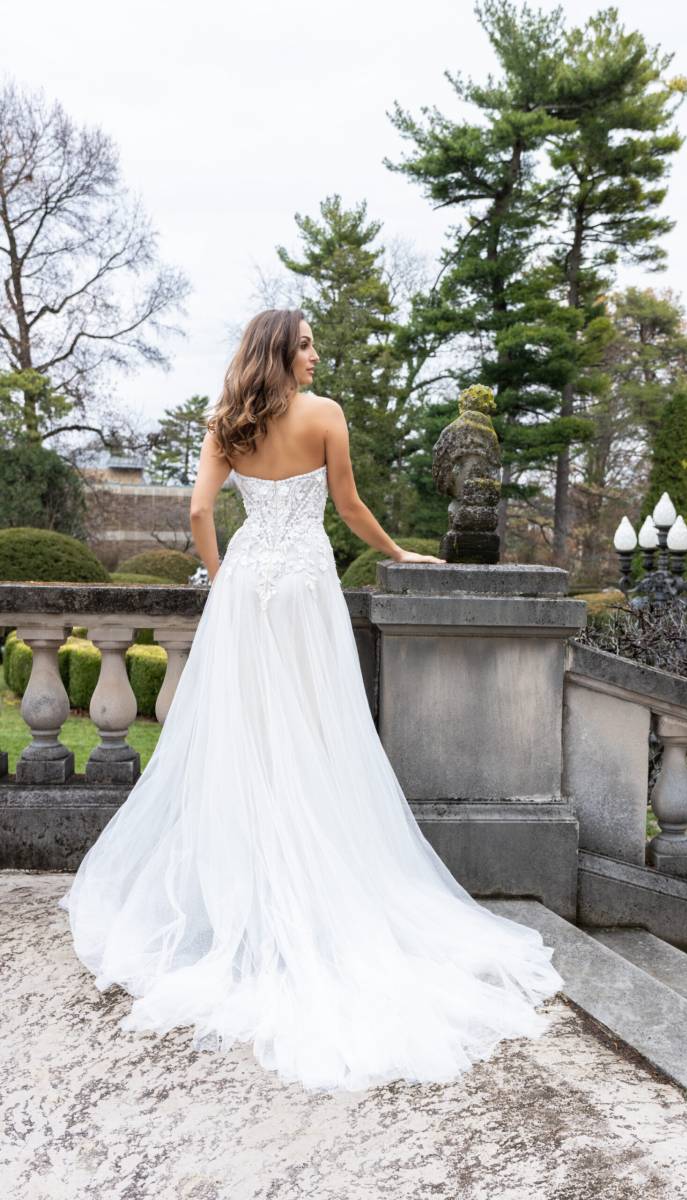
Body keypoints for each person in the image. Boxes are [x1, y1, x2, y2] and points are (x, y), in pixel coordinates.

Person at [59, 308, 564, 1092]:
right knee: (318, 734)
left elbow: (197, 512)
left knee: (248, 740)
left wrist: (223, 577)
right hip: (303, 587)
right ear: (281, 352)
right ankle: (316, 885)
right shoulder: (326, 416)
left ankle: (251, 891)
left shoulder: (227, 421)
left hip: (249, 586)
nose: (316, 354)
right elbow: (350, 506)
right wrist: (399, 552)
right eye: (306, 344)